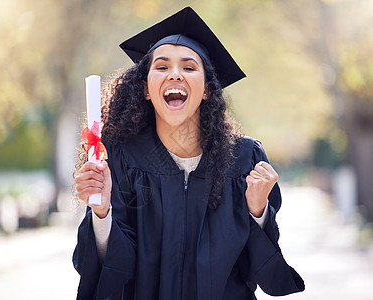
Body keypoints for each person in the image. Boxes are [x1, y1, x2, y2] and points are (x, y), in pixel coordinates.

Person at [73, 6, 305, 300]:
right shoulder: (120, 159)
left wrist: (257, 212)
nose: (175, 74)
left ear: (207, 89)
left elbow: (263, 274)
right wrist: (102, 210)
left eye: (189, 66)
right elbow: (104, 270)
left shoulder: (243, 160)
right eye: (162, 66)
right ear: (145, 89)